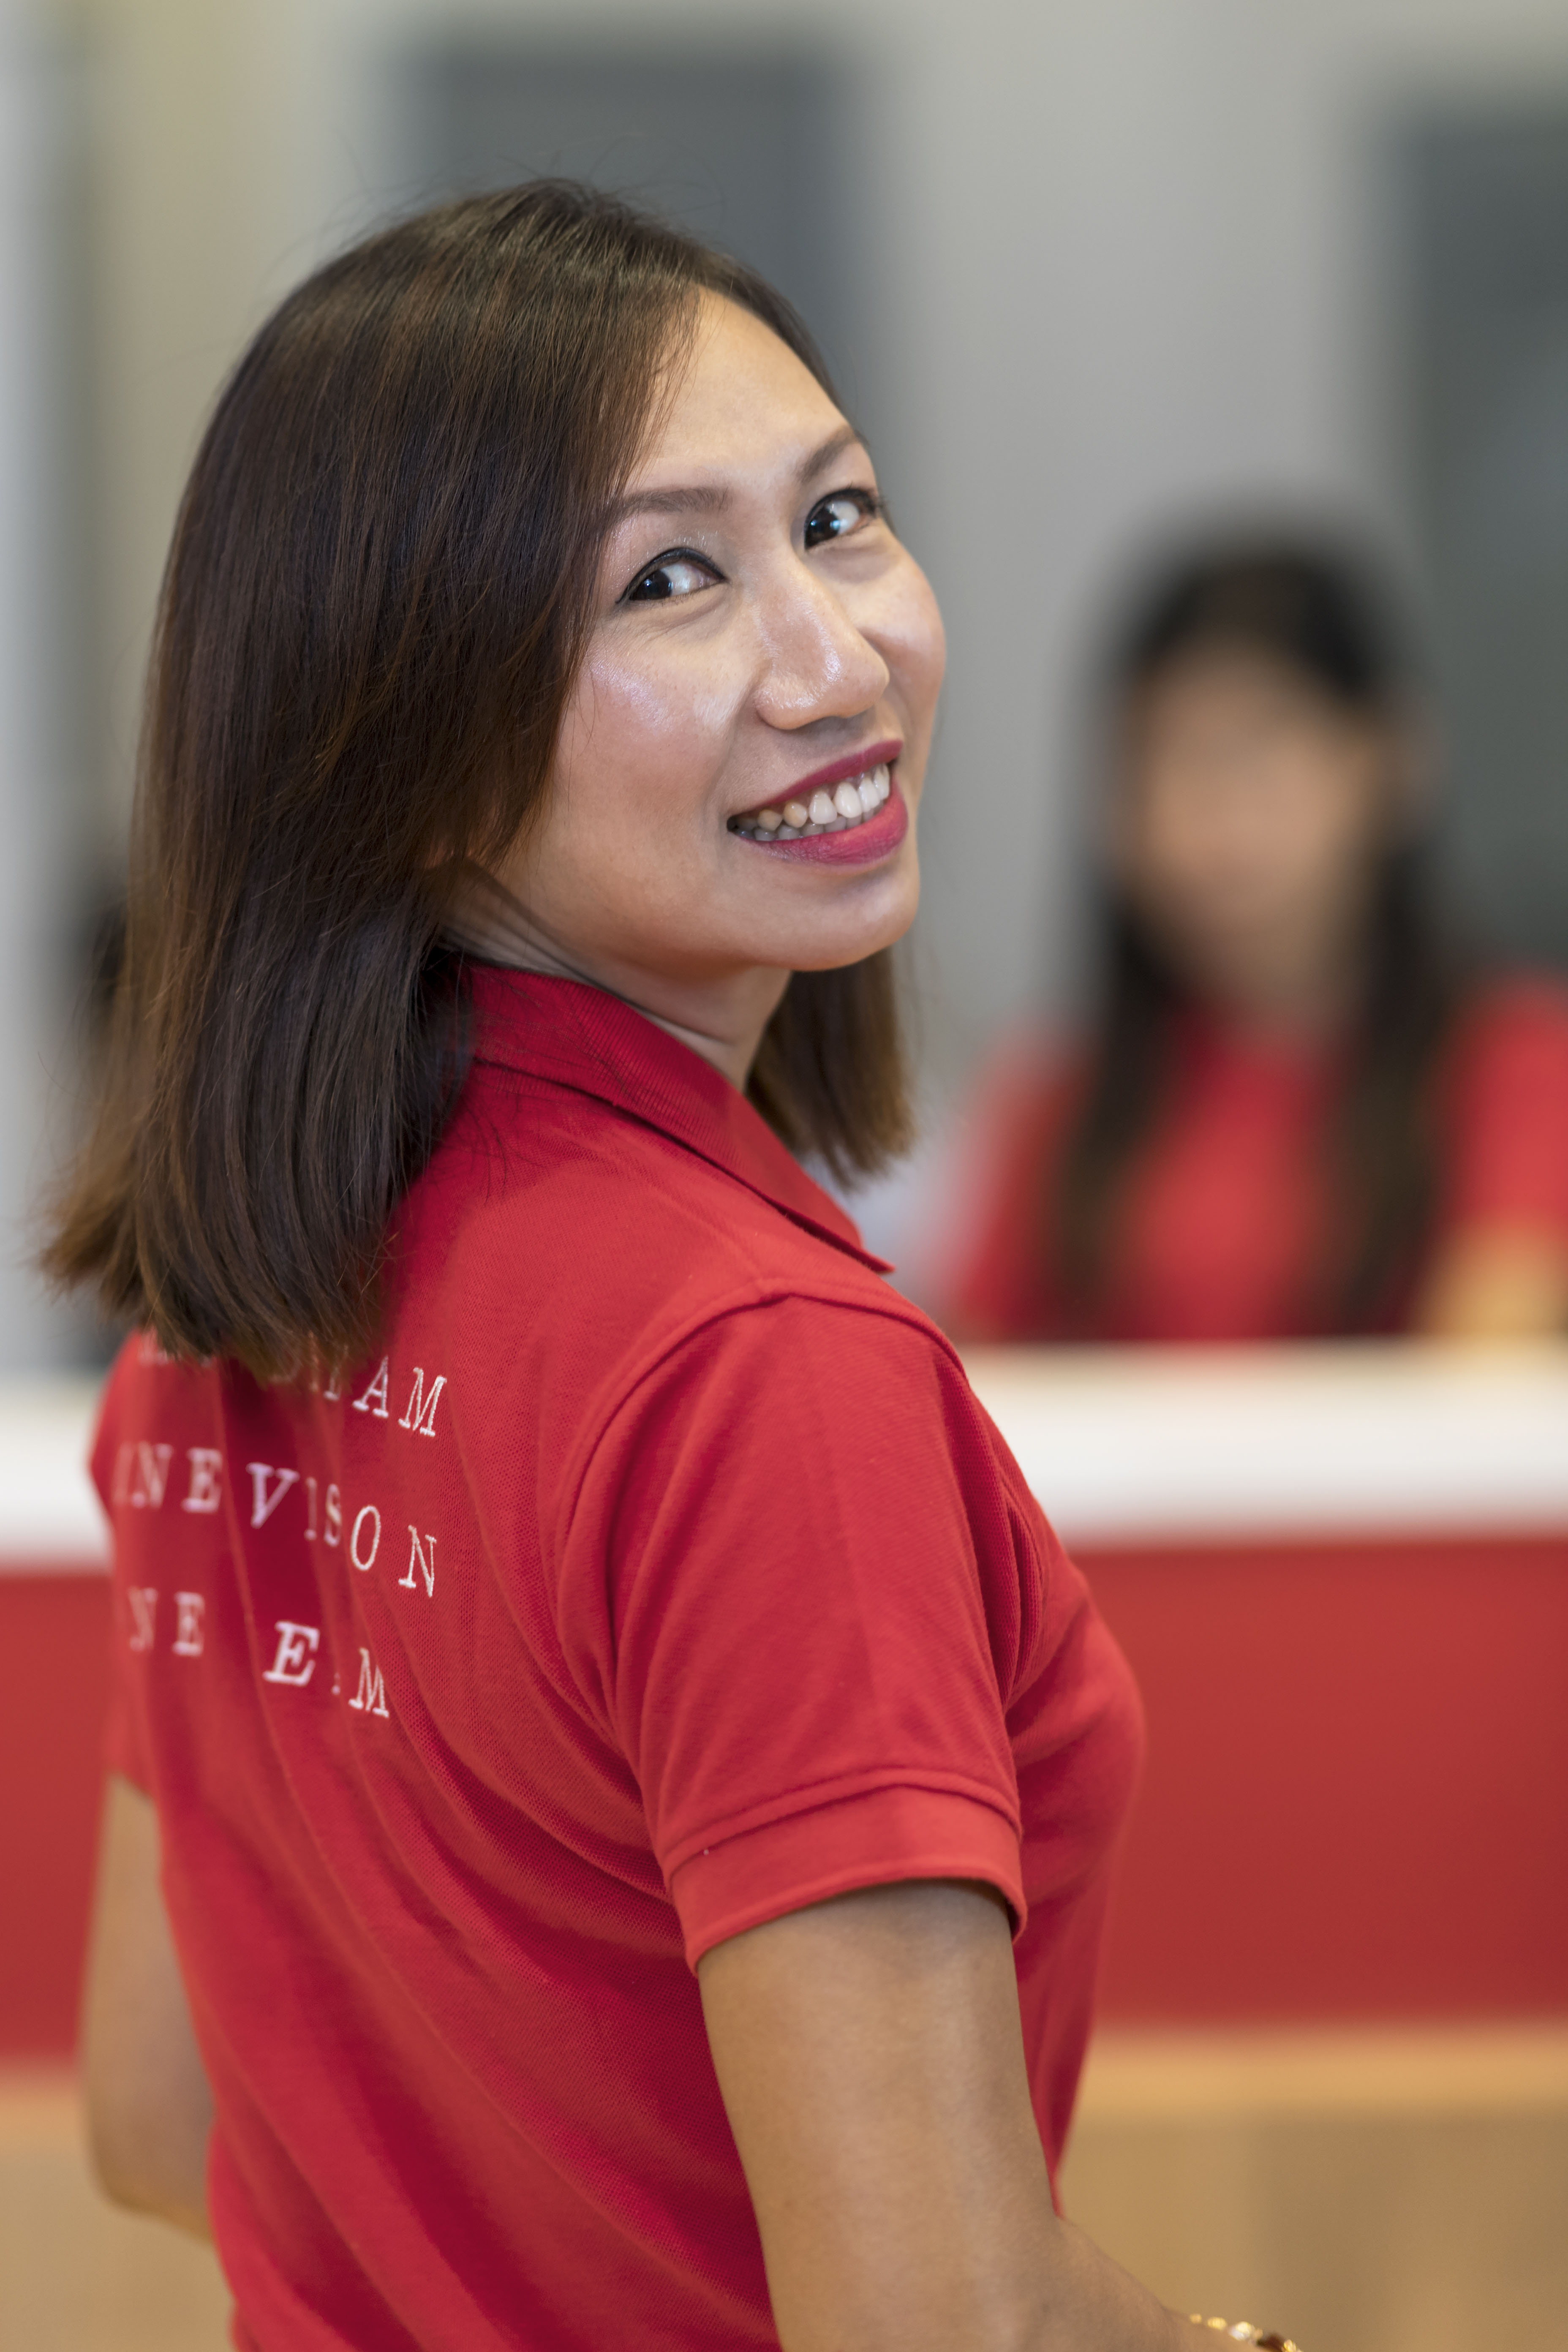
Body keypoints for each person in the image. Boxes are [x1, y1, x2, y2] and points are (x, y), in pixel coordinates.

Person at [44, 187, 1296, 2351]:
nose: (837, 659)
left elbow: (165, 2116)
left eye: (838, 518)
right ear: (402, 736)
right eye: (670, 579)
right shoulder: (755, 1371)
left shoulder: (225, 1304)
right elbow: (936, 2320)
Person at [937, 538, 1568, 1346]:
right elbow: (972, 1380)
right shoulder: (1059, 1098)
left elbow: (1491, 1380)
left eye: (1256, 751)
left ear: (1392, 760)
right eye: (1162, 759)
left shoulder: (1513, 1063)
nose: (1210, 818)